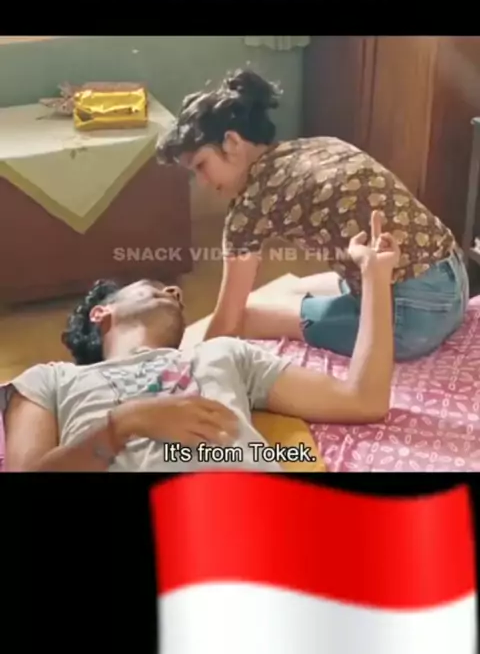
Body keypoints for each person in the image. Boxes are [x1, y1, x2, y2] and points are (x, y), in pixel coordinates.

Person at [1, 218, 398, 472]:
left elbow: (363, 400)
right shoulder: (51, 381)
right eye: (154, 286)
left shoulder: (222, 352)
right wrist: (122, 425)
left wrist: (376, 278)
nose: (174, 291)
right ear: (102, 312)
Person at [156, 68, 469, 361]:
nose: (202, 182)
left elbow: (228, 320)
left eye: (201, 165)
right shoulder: (320, 145)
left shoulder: (251, 205)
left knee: (250, 316)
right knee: (287, 291)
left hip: (411, 322)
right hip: (455, 281)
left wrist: (187, 369)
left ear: (232, 142)